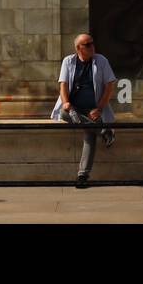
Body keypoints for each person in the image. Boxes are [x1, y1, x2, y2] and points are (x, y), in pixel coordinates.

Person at [52, 33, 116, 189]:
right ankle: (103, 131)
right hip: (73, 108)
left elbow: (109, 86)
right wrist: (66, 102)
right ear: (78, 48)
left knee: (89, 134)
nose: (92, 46)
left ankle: (82, 175)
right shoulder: (68, 61)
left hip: (94, 109)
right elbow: (63, 85)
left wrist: (99, 108)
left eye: (92, 43)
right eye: (87, 45)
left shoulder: (101, 61)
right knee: (64, 113)